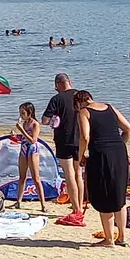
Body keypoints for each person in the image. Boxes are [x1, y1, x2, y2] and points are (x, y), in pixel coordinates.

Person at [74, 89, 130, 246]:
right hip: (119, 153)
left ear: (79, 103)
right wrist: (118, 145)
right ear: (90, 98)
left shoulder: (84, 113)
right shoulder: (110, 107)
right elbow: (128, 130)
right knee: (119, 196)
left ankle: (109, 239)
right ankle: (122, 237)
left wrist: (80, 157)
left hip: (101, 155)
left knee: (104, 194)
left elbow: (84, 137)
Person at [41, 73, 86, 227]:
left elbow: (45, 120)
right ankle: (79, 205)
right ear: (69, 82)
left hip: (64, 140)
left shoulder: (57, 99)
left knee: (69, 175)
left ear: (58, 84)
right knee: (78, 174)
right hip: (81, 140)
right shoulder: (81, 97)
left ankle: (76, 209)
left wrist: (54, 120)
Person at [12, 101, 46, 212]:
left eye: (23, 113)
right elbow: (24, 138)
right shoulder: (25, 124)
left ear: (29, 113)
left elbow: (33, 140)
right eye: (20, 113)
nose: (21, 116)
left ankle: (43, 205)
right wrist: (17, 135)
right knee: (22, 177)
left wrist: (21, 130)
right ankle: (18, 201)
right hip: (23, 149)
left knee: (36, 178)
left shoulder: (35, 124)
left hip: (32, 150)